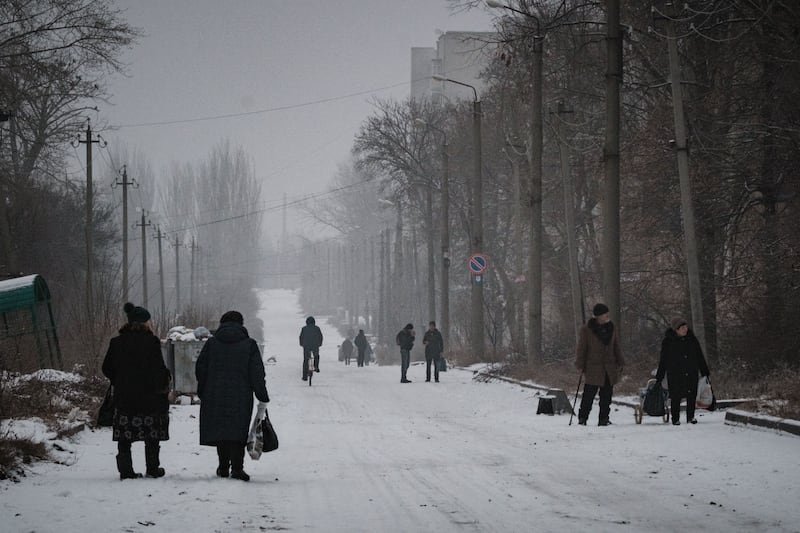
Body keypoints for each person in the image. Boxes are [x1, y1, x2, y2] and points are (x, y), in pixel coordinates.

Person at [195, 311, 270, 482]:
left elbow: (200, 369)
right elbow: (257, 373)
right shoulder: (250, 345)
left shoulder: (212, 344)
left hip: (214, 394)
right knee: (238, 429)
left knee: (221, 429)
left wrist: (203, 390)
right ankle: (237, 468)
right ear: (241, 325)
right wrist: (262, 395)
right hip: (241, 396)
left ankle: (223, 467)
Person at [102, 302, 171, 480]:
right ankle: (153, 468)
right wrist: (163, 383)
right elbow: (159, 370)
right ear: (145, 323)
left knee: (124, 438)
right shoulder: (152, 342)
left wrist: (119, 379)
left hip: (124, 398)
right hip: (150, 398)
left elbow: (106, 368)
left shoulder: (116, 343)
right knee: (151, 435)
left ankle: (126, 471)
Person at [575, 303, 625, 426]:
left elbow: (616, 346)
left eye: (607, 313)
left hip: (609, 367)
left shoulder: (611, 328)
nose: (607, 316)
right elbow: (582, 348)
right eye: (604, 314)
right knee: (589, 395)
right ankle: (583, 417)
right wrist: (580, 364)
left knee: (606, 396)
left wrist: (620, 361)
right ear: (598, 316)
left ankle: (603, 418)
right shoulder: (587, 329)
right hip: (593, 367)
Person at [655, 317, 710, 425]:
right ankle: (675, 418)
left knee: (691, 394)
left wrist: (704, 371)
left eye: (685, 327)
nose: (685, 329)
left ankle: (691, 417)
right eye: (682, 328)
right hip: (675, 373)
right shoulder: (668, 341)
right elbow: (663, 359)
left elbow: (699, 356)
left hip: (691, 371)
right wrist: (659, 376)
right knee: (676, 396)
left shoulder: (692, 339)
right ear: (676, 329)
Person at [299, 316, 323, 380]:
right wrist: (320, 344)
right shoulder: (317, 328)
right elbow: (320, 337)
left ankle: (304, 376)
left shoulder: (304, 328)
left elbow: (301, 337)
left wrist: (301, 344)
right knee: (316, 356)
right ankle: (316, 367)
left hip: (306, 345)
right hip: (315, 345)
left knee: (306, 360)